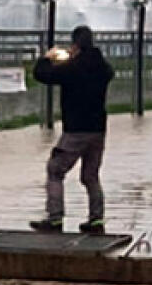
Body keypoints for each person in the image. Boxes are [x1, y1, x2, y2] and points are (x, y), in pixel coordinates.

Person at [29, 25, 115, 234]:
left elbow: (42, 74)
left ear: (75, 45)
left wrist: (48, 58)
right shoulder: (103, 68)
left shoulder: (72, 68)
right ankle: (96, 220)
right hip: (98, 131)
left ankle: (55, 218)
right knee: (91, 176)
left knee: (55, 170)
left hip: (76, 129)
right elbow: (109, 71)